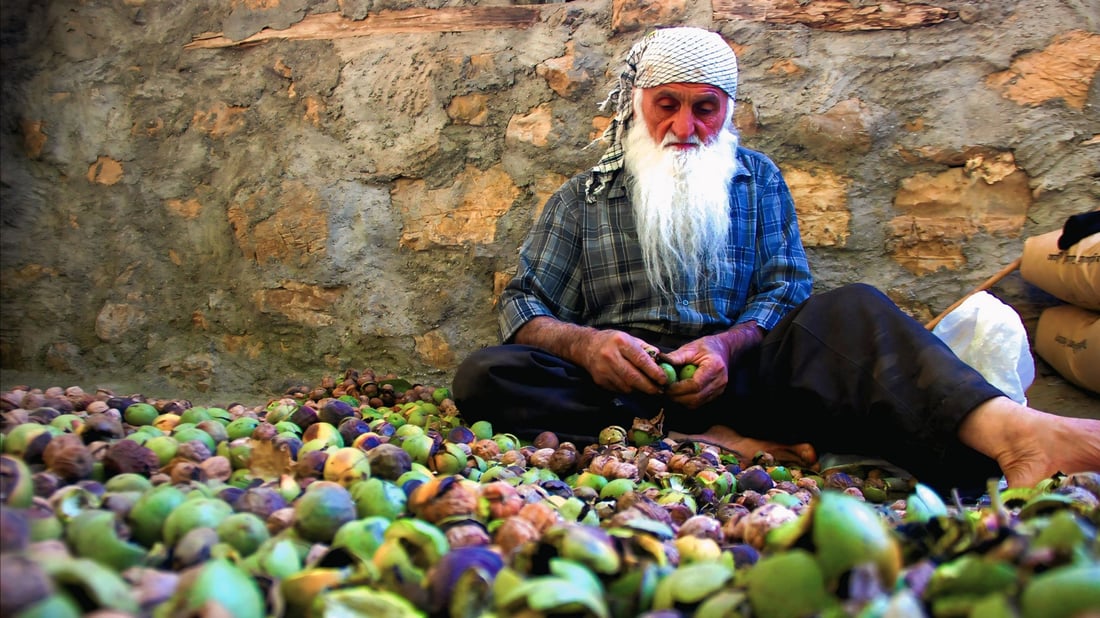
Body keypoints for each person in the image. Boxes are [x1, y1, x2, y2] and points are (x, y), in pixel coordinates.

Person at [452, 26, 1100, 493]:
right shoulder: (580, 196)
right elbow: (525, 302)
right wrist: (586, 344)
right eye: (667, 105)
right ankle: (701, 445)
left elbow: (787, 288)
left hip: (742, 377)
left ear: (728, 111)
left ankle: (1016, 432)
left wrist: (728, 348)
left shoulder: (758, 179)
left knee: (854, 311)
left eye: (705, 108)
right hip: (621, 391)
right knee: (489, 374)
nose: (685, 126)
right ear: (636, 106)